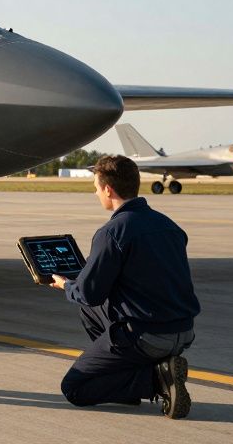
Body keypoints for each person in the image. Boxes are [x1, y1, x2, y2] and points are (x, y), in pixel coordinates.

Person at [50, 155, 200, 418]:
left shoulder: (112, 232)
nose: (96, 193)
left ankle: (155, 379)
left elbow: (89, 293)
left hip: (147, 337)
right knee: (89, 310)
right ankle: (130, 384)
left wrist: (66, 285)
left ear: (108, 190)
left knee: (74, 388)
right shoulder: (169, 226)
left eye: (96, 188)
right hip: (183, 332)